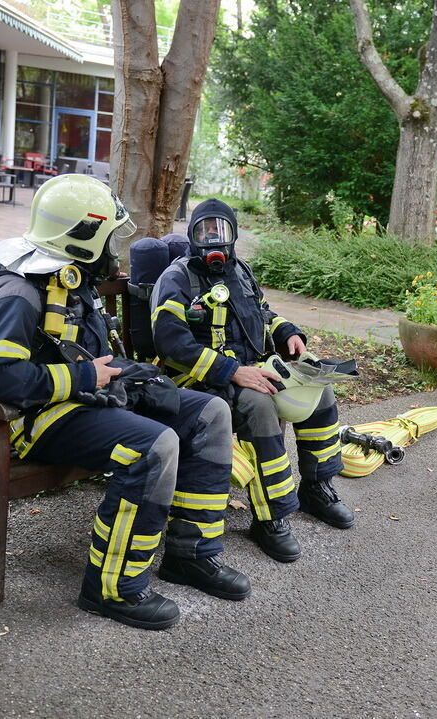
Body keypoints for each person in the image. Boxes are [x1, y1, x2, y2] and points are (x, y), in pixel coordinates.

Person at [0, 174, 250, 631]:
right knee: (153, 446)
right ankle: (111, 587)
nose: (113, 248)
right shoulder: (18, 291)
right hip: (35, 419)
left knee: (209, 413)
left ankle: (191, 555)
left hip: (88, 399)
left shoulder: (70, 276)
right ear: (82, 236)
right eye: (108, 237)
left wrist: (125, 375)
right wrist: (87, 376)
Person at [149, 198, 354, 564]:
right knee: (259, 406)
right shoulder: (177, 278)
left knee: (320, 391)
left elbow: (261, 312)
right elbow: (169, 343)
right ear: (193, 235)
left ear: (233, 234)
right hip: (198, 380)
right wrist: (231, 372)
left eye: (221, 229)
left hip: (251, 369)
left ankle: (316, 487)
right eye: (205, 231)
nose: (213, 238)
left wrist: (288, 332)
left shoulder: (240, 271)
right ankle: (270, 518)